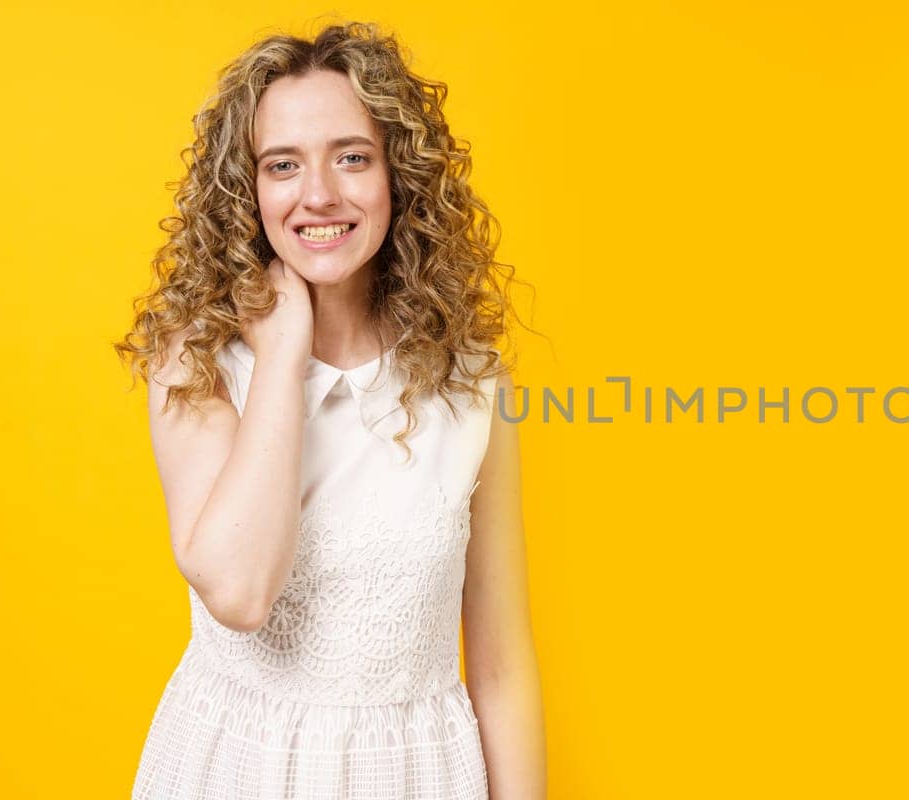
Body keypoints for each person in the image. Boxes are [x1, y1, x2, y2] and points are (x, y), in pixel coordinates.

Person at [113, 21, 546, 799]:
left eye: (352, 156)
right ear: (247, 189)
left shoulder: (472, 380)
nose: (319, 194)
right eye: (283, 165)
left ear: (398, 175)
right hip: (235, 770)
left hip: (415, 775)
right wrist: (283, 354)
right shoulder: (195, 362)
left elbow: (502, 660)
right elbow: (240, 594)